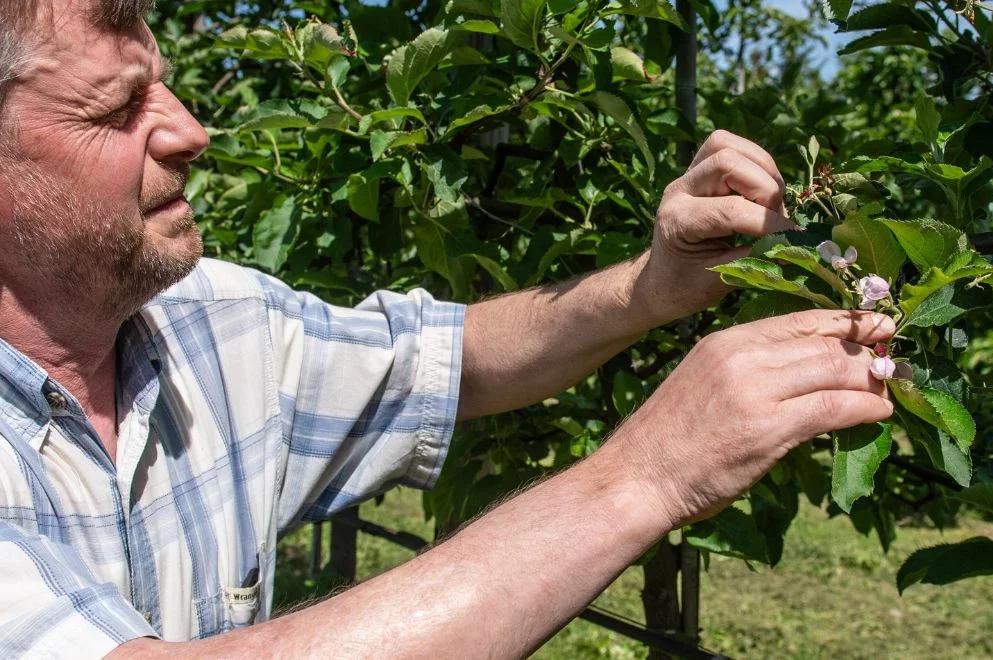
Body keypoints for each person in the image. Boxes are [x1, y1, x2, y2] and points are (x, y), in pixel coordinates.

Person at [0, 0, 896, 656]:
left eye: (165, 84)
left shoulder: (216, 323)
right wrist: (646, 476)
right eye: (118, 110)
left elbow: (447, 364)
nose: (191, 131)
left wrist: (650, 287)